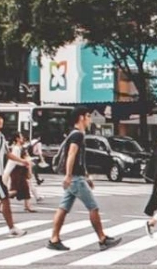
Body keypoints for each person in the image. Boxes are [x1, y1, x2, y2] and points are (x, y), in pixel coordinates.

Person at [46, 107, 120, 251]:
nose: (89, 119)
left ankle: (54, 239)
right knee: (93, 207)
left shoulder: (76, 134)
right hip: (75, 179)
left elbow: (79, 159)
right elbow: (72, 155)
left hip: (77, 177)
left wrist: (86, 176)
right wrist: (68, 175)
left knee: (63, 208)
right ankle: (102, 239)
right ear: (81, 118)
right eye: (88, 116)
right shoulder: (77, 135)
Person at [4, 132, 35, 213]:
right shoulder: (16, 148)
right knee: (15, 190)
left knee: (24, 188)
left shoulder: (20, 148)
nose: (23, 139)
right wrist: (25, 162)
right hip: (16, 171)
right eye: (21, 137)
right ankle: (0, 200)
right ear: (17, 139)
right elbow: (15, 161)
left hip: (19, 171)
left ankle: (27, 206)